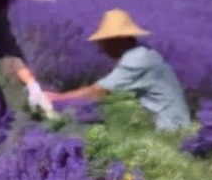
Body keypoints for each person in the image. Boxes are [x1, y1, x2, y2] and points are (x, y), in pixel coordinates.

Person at [44, 9, 191, 132]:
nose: (101, 47)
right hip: (165, 124)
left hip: (170, 129)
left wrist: (58, 99)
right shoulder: (141, 53)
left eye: (104, 42)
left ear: (118, 40)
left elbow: (100, 91)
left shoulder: (138, 59)